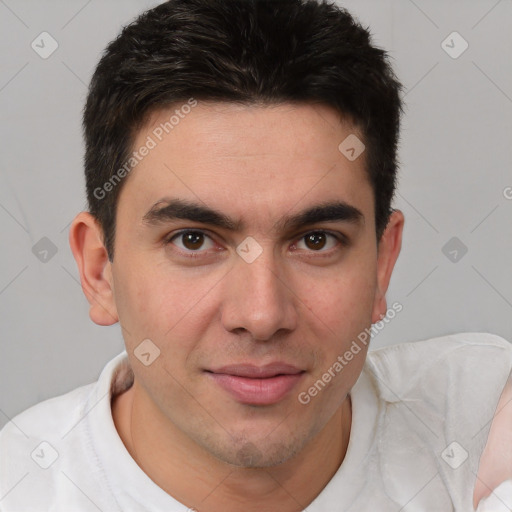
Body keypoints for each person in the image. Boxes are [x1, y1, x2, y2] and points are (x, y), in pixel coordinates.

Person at [1, 0, 511, 510]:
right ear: (99, 270)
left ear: (382, 263)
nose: (262, 315)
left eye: (316, 240)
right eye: (193, 240)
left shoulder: (478, 429)